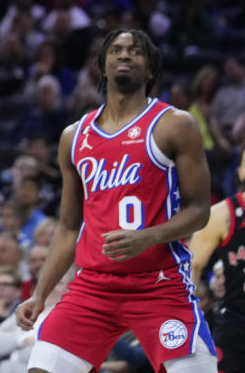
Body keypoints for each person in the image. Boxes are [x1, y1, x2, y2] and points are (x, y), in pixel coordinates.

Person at [16, 29, 217, 373]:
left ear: (150, 70)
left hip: (159, 283)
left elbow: (200, 210)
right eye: (116, 50)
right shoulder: (74, 137)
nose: (125, 55)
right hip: (93, 287)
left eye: (135, 52)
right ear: (103, 66)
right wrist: (40, 293)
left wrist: (150, 236)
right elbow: (67, 226)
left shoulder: (175, 125)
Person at [188, 150, 245, 373]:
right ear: (239, 172)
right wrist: (200, 294)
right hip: (236, 327)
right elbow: (190, 268)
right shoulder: (223, 215)